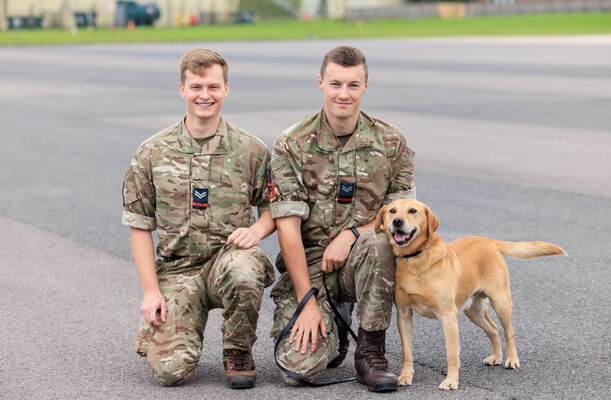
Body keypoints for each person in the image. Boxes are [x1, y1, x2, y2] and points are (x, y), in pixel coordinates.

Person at [121, 48, 275, 389]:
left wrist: (257, 229)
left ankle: (238, 352)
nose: (205, 95)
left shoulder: (251, 150)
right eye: (196, 87)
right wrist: (150, 292)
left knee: (246, 271)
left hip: (227, 259)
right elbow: (139, 225)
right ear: (182, 89)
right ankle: (173, 325)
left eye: (213, 87)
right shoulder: (152, 153)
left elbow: (271, 207)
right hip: (178, 269)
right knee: (170, 372)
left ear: (226, 89)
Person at [269, 46, 416, 392]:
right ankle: (334, 320)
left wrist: (352, 233)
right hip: (310, 263)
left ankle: (370, 351)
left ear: (366, 86)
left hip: (361, 259)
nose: (343, 94)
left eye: (353, 85)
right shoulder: (291, 143)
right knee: (299, 369)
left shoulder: (391, 142)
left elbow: (403, 218)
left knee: (379, 241)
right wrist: (306, 303)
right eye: (336, 84)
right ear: (321, 83)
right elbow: (286, 229)